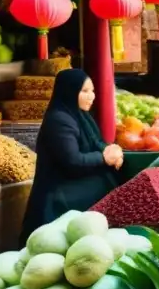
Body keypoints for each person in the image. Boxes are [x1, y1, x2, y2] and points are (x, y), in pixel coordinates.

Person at [21, 70, 123, 240]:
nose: (91, 96)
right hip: (58, 194)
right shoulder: (59, 121)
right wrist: (104, 158)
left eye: (92, 91)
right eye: (84, 91)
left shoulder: (80, 115)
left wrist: (112, 151)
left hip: (72, 183)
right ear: (69, 91)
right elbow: (73, 161)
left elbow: (96, 142)